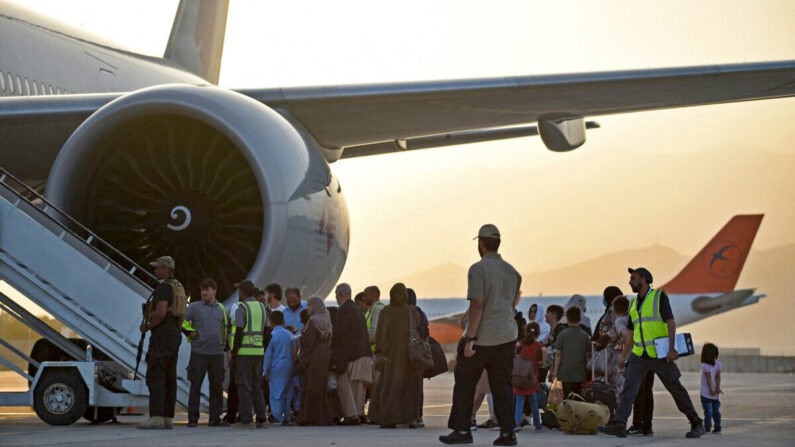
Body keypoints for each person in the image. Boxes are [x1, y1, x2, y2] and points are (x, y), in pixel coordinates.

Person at [598, 267, 705, 439]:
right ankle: (619, 424)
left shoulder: (658, 297)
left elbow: (670, 322)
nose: (629, 281)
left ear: (644, 279)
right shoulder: (633, 304)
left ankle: (696, 422)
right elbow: (632, 333)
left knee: (675, 388)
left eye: (633, 278)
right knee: (629, 389)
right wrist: (624, 357)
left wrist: (671, 348)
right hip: (639, 354)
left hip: (659, 354)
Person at [441, 224, 521, 446]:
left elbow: (477, 304)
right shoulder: (513, 272)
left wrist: (471, 338)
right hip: (506, 336)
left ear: (481, 244)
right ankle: (507, 433)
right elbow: (511, 304)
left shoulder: (478, 269)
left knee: (465, 384)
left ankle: (462, 430)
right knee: (502, 386)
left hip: (483, 337)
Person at [138, 256, 184, 430]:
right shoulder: (178, 287)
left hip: (162, 336)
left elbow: (161, 312)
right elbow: (180, 315)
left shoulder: (164, 287)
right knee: (169, 377)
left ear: (166, 270)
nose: (155, 271)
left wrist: (148, 326)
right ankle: (167, 418)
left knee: (155, 376)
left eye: (158, 268)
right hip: (174, 335)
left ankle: (156, 417)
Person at [373, 283, 423, 429]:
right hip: (409, 356)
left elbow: (381, 334)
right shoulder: (411, 311)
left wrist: (379, 351)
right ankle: (411, 418)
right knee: (409, 387)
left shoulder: (386, 311)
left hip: (391, 356)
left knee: (389, 386)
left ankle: (388, 418)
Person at [182, 278, 229, 427]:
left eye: (207, 289)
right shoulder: (194, 307)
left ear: (214, 291)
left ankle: (215, 418)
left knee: (216, 387)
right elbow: (181, 321)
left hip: (216, 354)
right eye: (202, 289)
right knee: (195, 385)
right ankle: (193, 418)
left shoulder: (221, 308)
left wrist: (227, 350)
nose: (204, 292)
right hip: (199, 353)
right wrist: (189, 332)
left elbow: (226, 330)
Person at [332, 283, 373, 425]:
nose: (336, 299)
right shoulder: (357, 309)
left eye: (336, 296)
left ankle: (351, 415)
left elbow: (339, 334)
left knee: (345, 386)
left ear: (341, 295)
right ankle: (358, 413)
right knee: (358, 387)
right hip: (363, 353)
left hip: (350, 354)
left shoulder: (344, 310)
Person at [231, 280, 269, 429]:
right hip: (258, 352)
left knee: (243, 385)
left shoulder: (242, 308)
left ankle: (246, 420)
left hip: (244, 352)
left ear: (242, 292)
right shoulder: (261, 307)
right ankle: (262, 419)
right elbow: (267, 332)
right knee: (256, 386)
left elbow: (239, 332)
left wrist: (234, 352)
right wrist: (262, 348)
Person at [297, 296, 334, 425]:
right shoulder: (326, 319)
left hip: (313, 358)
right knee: (320, 386)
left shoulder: (313, 321)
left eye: (309, 305)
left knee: (311, 386)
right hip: (324, 357)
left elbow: (308, 342)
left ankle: (310, 416)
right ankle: (321, 416)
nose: (307, 308)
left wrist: (300, 340)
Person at [551, 306, 590, 398]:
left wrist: (555, 372)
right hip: (580, 374)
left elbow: (558, 354)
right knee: (578, 398)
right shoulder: (585, 336)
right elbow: (588, 355)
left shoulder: (562, 334)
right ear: (580, 319)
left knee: (566, 398)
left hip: (565, 374)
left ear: (567, 319)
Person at [514, 322, 546, 432]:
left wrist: (516, 358)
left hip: (520, 377)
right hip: (532, 378)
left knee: (519, 400)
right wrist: (543, 362)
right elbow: (544, 350)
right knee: (534, 401)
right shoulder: (538, 345)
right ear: (537, 334)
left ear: (525, 332)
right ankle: (537, 424)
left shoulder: (521, 343)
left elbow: (515, 348)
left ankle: (517, 423)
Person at [263, 310, 294, 425]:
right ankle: (287, 416)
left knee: (276, 393)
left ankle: (277, 416)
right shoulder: (289, 334)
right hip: (289, 365)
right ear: (283, 321)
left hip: (277, 366)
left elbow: (268, 355)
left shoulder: (272, 335)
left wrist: (265, 370)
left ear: (270, 322)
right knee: (287, 392)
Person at [408, 288, 429, 427]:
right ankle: (418, 416)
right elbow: (425, 332)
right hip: (419, 355)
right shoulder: (420, 313)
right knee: (418, 387)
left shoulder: (406, 312)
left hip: (407, 355)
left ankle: (408, 416)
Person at [700, 343, 722, 434]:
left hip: (705, 393)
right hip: (715, 395)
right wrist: (717, 388)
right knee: (716, 411)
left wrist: (711, 390)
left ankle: (707, 428)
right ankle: (717, 427)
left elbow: (708, 378)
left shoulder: (705, 365)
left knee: (708, 411)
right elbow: (718, 377)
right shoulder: (718, 364)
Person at [542, 304, 565, 383]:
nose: (545, 315)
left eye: (547, 313)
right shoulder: (553, 330)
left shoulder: (560, 329)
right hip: (554, 366)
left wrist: (554, 371)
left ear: (554, 315)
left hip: (561, 367)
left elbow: (558, 350)